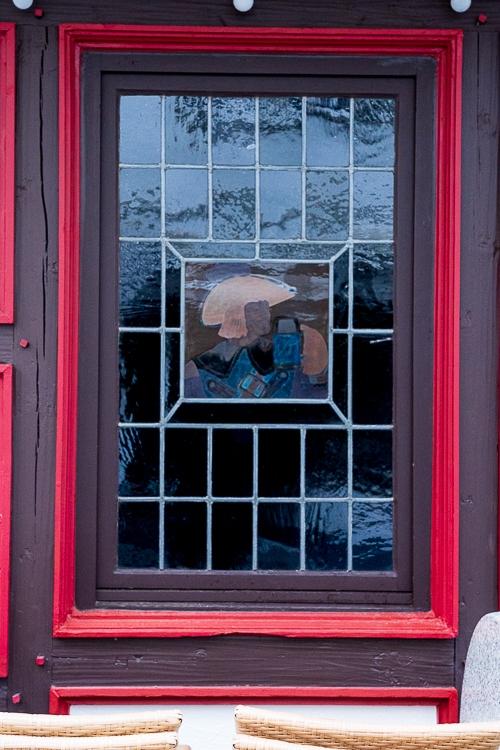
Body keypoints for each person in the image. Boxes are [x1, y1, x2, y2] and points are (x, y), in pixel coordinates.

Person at [185, 274, 328, 399]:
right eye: (254, 308)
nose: (264, 314)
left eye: (265, 306)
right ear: (235, 316)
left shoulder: (288, 348)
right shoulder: (202, 367)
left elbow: (317, 393)